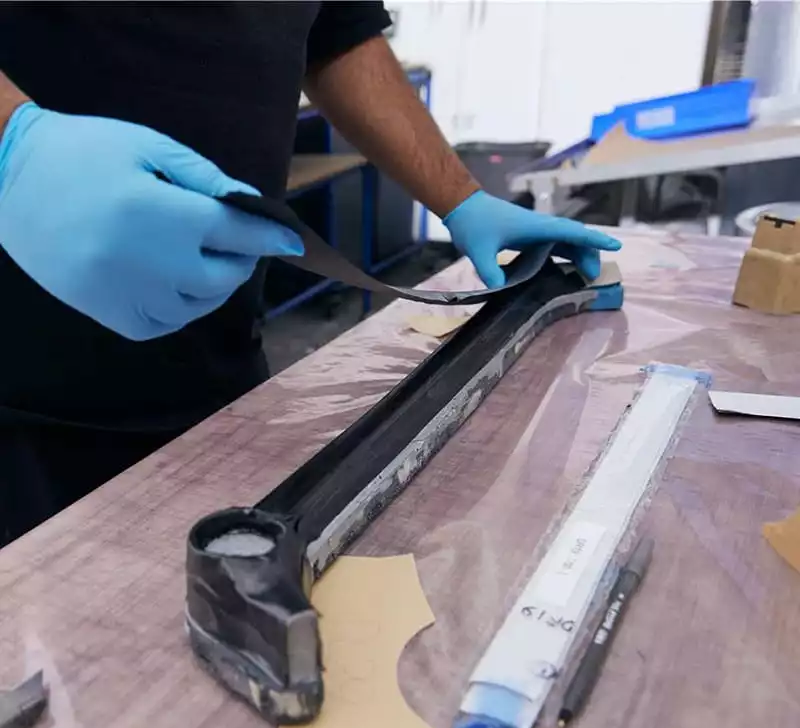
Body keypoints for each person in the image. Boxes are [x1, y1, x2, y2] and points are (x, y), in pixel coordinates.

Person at [0, 2, 620, 545]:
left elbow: (337, 33)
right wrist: (14, 145)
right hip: (23, 394)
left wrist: (462, 199)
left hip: (217, 364)